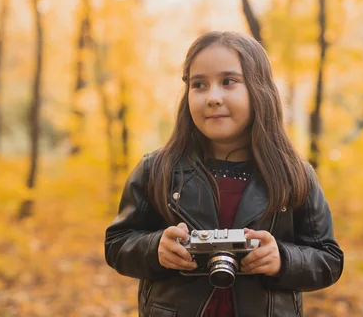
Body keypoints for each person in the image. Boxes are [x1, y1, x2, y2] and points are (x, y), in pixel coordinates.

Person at [105, 31, 343, 317]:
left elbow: (329, 259)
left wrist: (283, 258)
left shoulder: (293, 175)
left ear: (259, 89)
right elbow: (117, 244)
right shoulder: (158, 169)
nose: (212, 97)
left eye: (228, 82)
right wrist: (155, 248)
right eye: (199, 85)